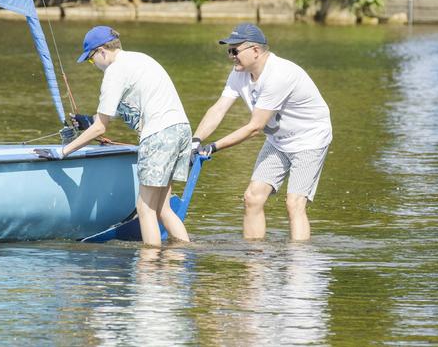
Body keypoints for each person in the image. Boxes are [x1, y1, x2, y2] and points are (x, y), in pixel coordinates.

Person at [193, 23, 332, 241]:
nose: (231, 56)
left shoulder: (279, 75)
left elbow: (255, 127)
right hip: (278, 141)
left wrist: (213, 147)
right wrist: (196, 139)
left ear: (256, 51)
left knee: (294, 203)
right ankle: (255, 260)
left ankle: (298, 265)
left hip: (310, 139)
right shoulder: (239, 74)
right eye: (229, 51)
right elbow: (219, 108)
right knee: (252, 198)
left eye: (235, 51)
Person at [62, 26, 192, 247]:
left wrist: (64, 151)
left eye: (92, 60)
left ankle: (149, 269)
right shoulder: (139, 59)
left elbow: (100, 128)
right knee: (162, 207)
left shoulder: (114, 71)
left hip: (159, 135)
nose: (94, 66)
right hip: (181, 130)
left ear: (102, 51)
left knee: (145, 209)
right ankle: (184, 256)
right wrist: (87, 121)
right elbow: (120, 112)